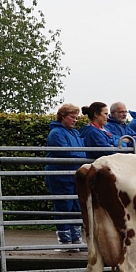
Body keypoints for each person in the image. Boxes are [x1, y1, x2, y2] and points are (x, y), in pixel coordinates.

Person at [45, 103, 86, 251]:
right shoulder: (56, 133)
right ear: (63, 116)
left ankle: (76, 238)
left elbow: (81, 151)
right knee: (64, 205)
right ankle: (65, 240)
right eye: (72, 117)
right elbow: (65, 152)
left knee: (76, 206)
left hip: (74, 174)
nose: (75, 120)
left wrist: (80, 156)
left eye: (76, 117)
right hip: (60, 175)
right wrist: (81, 156)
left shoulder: (74, 133)